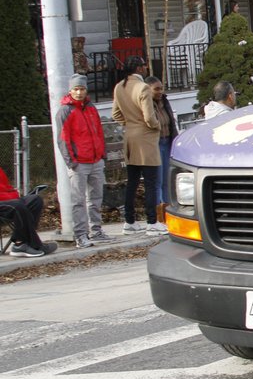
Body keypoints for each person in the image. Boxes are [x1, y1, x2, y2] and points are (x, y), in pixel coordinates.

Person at [111, 56, 167, 236]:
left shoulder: (119, 86)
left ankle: (129, 221)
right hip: (146, 138)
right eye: (143, 65)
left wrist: (129, 124)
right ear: (139, 68)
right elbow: (150, 117)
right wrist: (156, 126)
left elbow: (115, 114)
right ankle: (152, 222)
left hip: (130, 137)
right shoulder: (142, 87)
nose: (145, 67)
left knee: (132, 182)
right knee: (151, 182)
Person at [55, 73, 109, 248]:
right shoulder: (66, 111)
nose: (79, 92)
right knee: (78, 200)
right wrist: (71, 162)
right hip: (80, 162)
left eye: (82, 89)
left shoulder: (91, 108)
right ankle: (81, 235)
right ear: (70, 90)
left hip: (95, 160)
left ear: (86, 90)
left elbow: (99, 132)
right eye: (76, 89)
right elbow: (63, 139)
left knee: (96, 197)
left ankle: (96, 230)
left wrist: (102, 154)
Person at [0, 167, 56, 257]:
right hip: (5, 203)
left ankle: (23, 242)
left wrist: (14, 196)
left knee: (35, 200)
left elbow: (6, 188)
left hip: (10, 200)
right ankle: (26, 244)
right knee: (18, 206)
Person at [145, 76, 179, 205]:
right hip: (155, 144)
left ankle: (168, 209)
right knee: (157, 180)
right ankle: (159, 210)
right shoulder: (146, 104)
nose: (160, 92)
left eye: (161, 88)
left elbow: (171, 122)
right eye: (156, 89)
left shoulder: (164, 101)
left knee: (167, 179)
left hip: (167, 141)